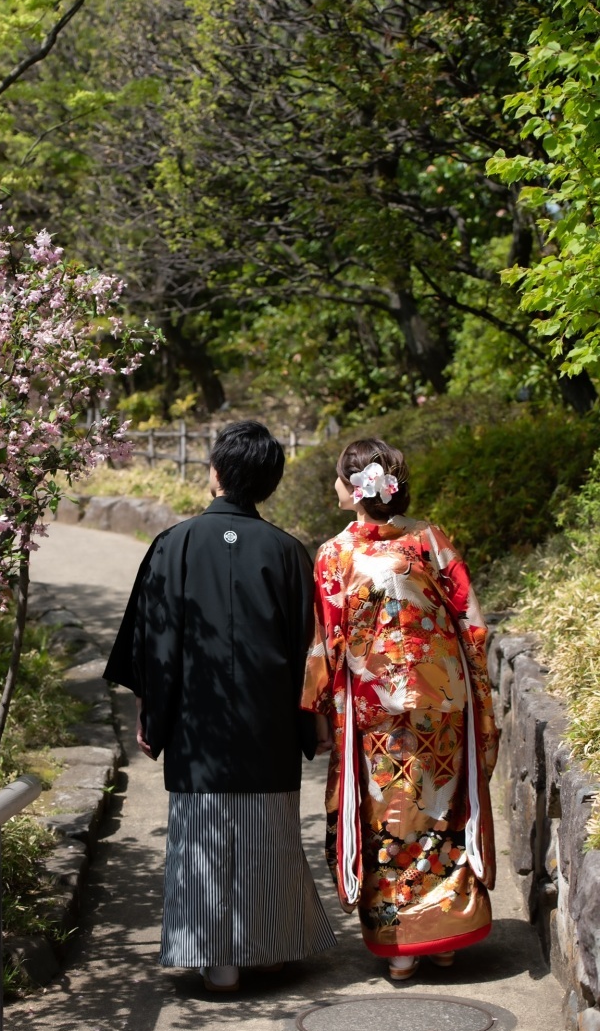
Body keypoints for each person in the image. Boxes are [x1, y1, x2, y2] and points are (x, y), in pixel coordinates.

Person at [104, 420, 336, 993]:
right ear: (269, 483)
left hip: (196, 725)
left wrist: (153, 718)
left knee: (204, 833)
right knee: (268, 833)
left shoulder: (173, 546)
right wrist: (312, 723)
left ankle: (218, 962)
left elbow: (154, 646)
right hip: (269, 724)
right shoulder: (287, 552)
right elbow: (309, 650)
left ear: (214, 474)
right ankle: (274, 948)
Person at [301, 437, 498, 981]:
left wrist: (317, 708)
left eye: (340, 479)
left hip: (376, 712)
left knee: (390, 817)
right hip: (446, 701)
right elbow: (471, 618)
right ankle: (444, 938)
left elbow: (326, 643)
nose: (336, 489)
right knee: (441, 809)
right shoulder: (428, 539)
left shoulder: (335, 555)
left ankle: (402, 946)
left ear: (355, 489)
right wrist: (475, 683)